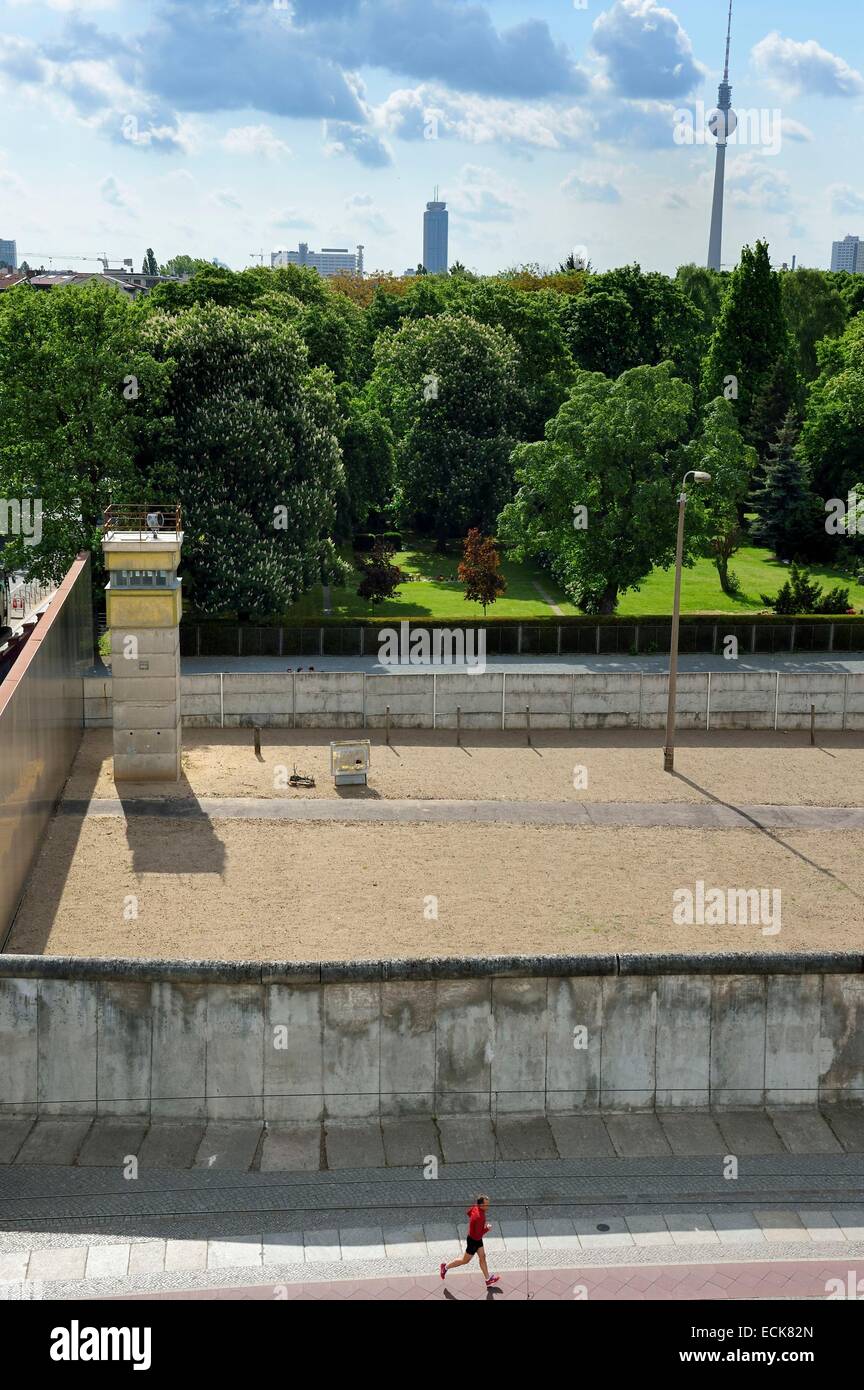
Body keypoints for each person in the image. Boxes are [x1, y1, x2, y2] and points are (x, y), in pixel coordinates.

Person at [440, 1195, 500, 1288]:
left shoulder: (475, 1207)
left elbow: (468, 1213)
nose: (488, 1206)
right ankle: (445, 1267)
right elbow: (478, 1234)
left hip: (476, 1238)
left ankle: (488, 1280)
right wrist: (487, 1228)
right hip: (474, 1240)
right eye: (486, 1205)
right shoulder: (480, 1217)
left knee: (482, 1257)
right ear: (481, 1205)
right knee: (464, 1260)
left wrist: (474, 1224)